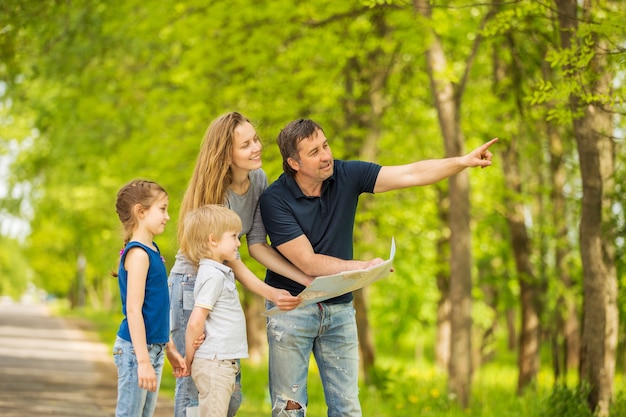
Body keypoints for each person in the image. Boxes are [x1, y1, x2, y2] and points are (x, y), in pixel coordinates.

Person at [259, 118, 498, 416]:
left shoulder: (346, 173)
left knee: (347, 408)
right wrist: (364, 266)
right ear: (293, 163)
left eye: (326, 145)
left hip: (339, 309)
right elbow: (306, 261)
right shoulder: (274, 199)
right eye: (314, 152)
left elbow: (411, 173)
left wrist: (462, 162)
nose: (326, 156)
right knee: (289, 410)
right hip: (292, 309)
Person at [169, 112, 311, 417]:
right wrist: (271, 293)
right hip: (194, 283)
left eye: (255, 139)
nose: (256, 147)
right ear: (226, 154)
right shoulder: (216, 194)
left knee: (228, 391)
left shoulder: (258, 178)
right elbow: (232, 260)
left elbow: (257, 244)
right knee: (197, 385)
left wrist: (305, 278)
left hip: (222, 280)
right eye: (245, 145)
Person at [113, 179, 187, 417]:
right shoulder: (138, 254)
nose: (167, 216)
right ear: (141, 212)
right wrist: (143, 362)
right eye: (162, 209)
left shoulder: (152, 250)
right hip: (137, 351)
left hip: (151, 349)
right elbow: (134, 311)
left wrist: (169, 347)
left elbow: (155, 309)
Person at [179, 205, 248, 417]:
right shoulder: (213, 275)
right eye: (234, 236)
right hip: (214, 364)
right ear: (213, 240)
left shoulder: (218, 272)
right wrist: (188, 358)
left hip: (223, 363)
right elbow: (195, 321)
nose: (238, 242)